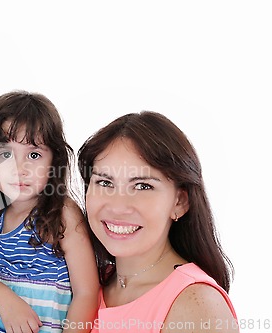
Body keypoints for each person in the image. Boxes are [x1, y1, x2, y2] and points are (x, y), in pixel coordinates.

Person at [77, 111, 239, 333]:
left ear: (180, 202)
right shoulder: (82, 285)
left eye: (143, 186)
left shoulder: (196, 305)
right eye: (105, 182)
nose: (118, 206)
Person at [0, 91, 99, 333]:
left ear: (54, 162)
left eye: (34, 155)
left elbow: (86, 292)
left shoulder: (62, 214)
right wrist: (4, 299)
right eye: (5, 154)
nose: (20, 168)